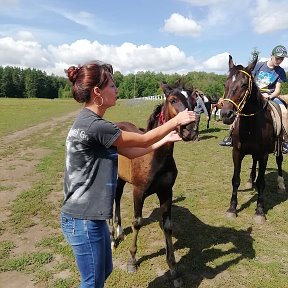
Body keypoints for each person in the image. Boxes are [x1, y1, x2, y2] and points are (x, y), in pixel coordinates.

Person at [60, 60, 197, 288]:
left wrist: (165, 139)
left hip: (90, 216)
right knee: (92, 282)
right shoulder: (96, 126)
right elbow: (143, 138)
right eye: (112, 86)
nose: (117, 90)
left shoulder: (93, 123)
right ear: (97, 92)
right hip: (82, 218)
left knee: (103, 272)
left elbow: (134, 151)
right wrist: (176, 121)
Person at [219, 45, 288, 153]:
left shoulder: (280, 71)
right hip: (255, 95)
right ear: (271, 55)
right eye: (277, 58)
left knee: (284, 112)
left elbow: (277, 90)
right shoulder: (259, 66)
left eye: (282, 59)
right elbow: (249, 81)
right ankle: (230, 136)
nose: (279, 61)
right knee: (237, 108)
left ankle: (284, 141)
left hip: (271, 96)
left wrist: (269, 96)